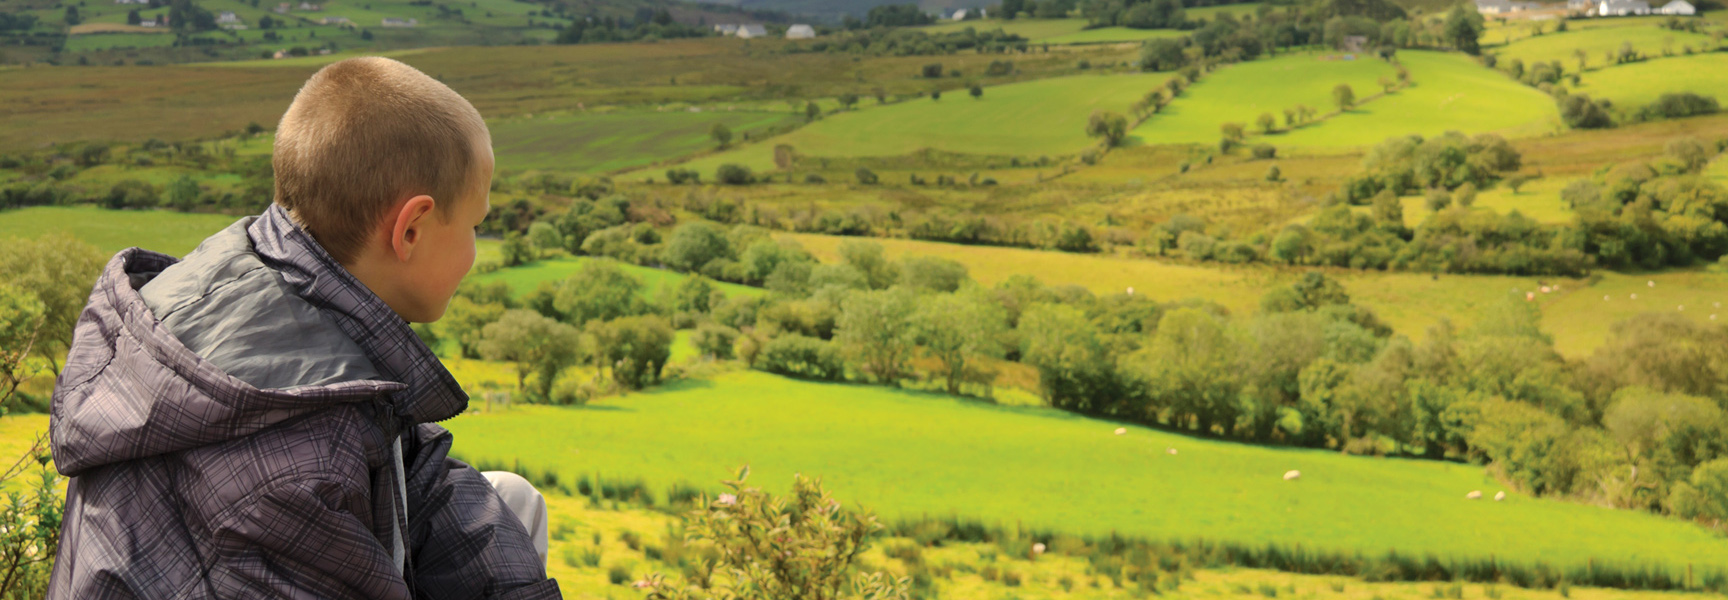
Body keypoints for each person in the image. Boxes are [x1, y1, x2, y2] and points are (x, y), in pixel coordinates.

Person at [46, 57, 560, 599]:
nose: (476, 251)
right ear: (411, 229)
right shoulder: (297, 471)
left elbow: (406, 461)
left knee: (509, 499)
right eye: (475, 225)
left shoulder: (255, 293)